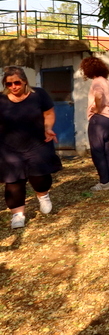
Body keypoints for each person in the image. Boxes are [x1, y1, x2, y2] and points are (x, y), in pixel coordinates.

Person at [0, 66, 61, 229]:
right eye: (9, 84)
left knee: (40, 177)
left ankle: (43, 195)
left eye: (17, 83)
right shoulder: (1, 100)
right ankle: (18, 215)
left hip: (37, 144)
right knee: (13, 182)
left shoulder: (39, 95)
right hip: (9, 148)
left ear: (24, 81)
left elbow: (48, 113)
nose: (13, 87)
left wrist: (48, 128)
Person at [80, 56, 109, 191]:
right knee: (106, 150)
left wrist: (96, 108)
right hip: (108, 119)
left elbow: (99, 96)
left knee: (97, 152)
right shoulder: (106, 81)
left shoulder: (96, 82)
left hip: (98, 120)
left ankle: (104, 182)